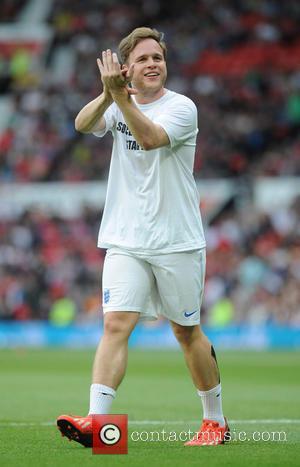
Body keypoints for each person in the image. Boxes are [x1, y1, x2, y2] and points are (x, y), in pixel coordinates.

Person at [57, 27, 229, 447]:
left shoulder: (181, 108)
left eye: (158, 57)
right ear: (127, 69)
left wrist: (120, 98)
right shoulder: (118, 101)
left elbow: (150, 139)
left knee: (186, 332)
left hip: (177, 239)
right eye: (143, 59)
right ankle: (99, 426)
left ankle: (215, 423)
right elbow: (82, 125)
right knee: (115, 324)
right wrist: (107, 92)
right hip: (126, 237)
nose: (153, 64)